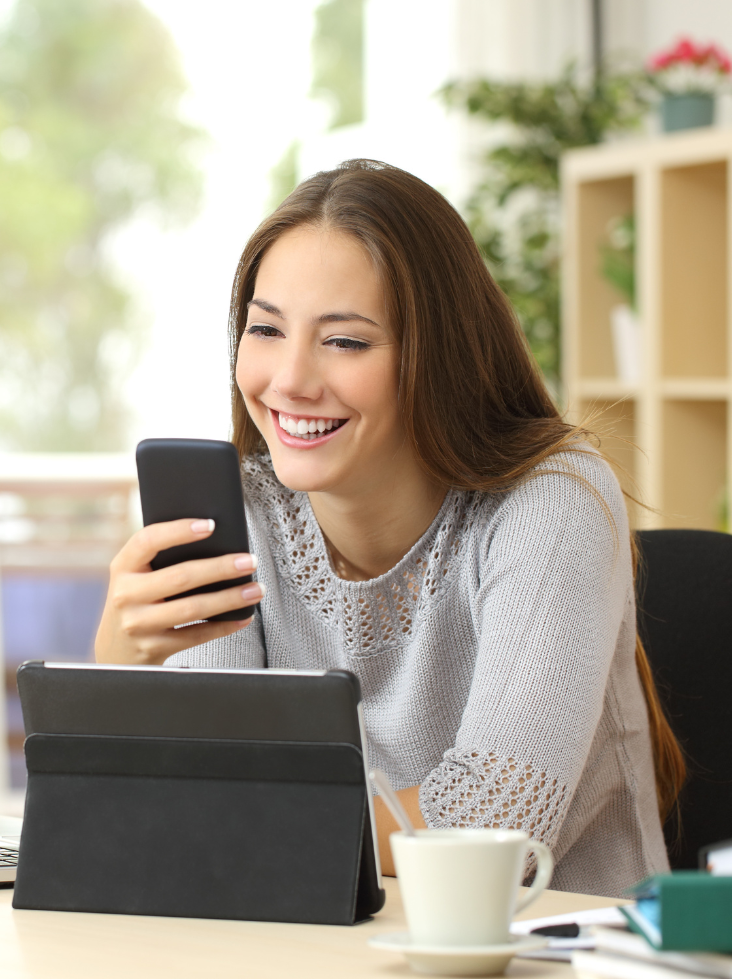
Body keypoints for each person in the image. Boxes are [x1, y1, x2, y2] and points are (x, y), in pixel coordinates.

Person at [94, 160, 683, 898]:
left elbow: (495, 822)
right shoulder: (241, 510)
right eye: (266, 329)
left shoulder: (551, 501)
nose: (290, 379)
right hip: (319, 944)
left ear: (435, 355)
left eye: (344, 341)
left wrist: (245, 813)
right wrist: (118, 668)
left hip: (548, 949)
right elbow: (199, 785)